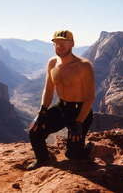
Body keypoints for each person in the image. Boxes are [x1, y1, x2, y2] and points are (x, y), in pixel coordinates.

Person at [27, 30, 96, 170]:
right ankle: (43, 159)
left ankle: (86, 149)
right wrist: (42, 111)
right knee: (35, 131)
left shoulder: (84, 65)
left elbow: (90, 97)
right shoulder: (52, 63)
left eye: (63, 43)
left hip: (80, 111)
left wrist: (79, 123)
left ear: (72, 44)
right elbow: (48, 89)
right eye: (56, 43)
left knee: (73, 155)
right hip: (61, 107)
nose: (59, 46)